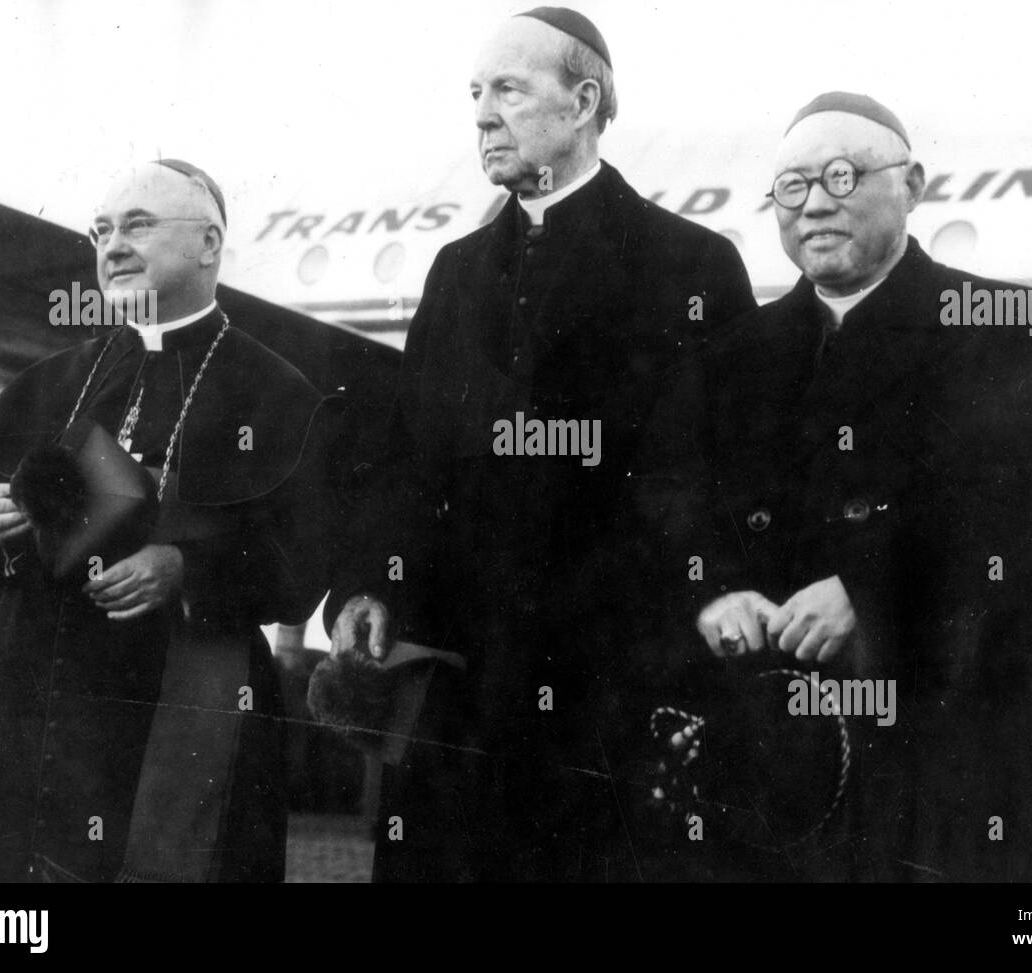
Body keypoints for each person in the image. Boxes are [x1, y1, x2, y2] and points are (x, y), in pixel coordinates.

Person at [316, 7, 756, 881]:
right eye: (476, 93)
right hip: (461, 694)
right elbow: (413, 454)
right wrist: (373, 575)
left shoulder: (691, 267)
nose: (482, 114)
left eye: (508, 90)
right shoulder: (456, 270)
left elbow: (710, 473)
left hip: (614, 690)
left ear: (584, 100)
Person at [683, 92, 1032, 881]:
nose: (816, 205)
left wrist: (870, 592)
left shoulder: (1014, 328)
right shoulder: (737, 357)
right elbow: (682, 509)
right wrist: (717, 590)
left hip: (950, 769)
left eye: (842, 176)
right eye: (793, 187)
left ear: (911, 185)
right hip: (786, 773)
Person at [0, 160, 339, 882]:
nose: (112, 245)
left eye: (137, 225)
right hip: (34, 699)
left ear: (207, 243)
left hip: (179, 698)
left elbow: (301, 565)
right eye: (101, 230)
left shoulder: (278, 393)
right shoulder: (55, 380)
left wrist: (187, 569)